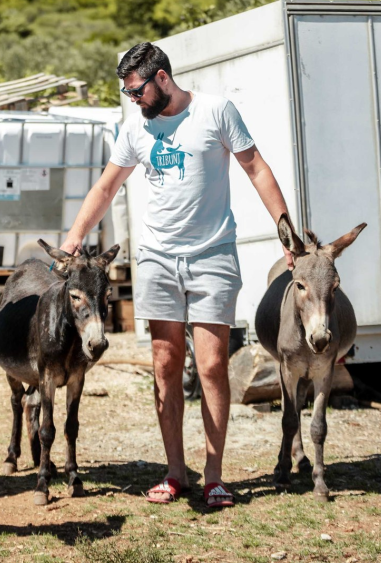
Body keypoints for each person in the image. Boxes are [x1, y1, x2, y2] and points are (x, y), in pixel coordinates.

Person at [60, 42, 293, 509]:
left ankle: (214, 476)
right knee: (166, 367)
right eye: (128, 93)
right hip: (158, 259)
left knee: (210, 365)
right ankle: (174, 473)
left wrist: (286, 231)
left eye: (137, 91)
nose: (134, 100)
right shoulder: (135, 130)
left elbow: (256, 168)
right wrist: (73, 237)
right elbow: (106, 188)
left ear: (162, 78)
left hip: (212, 256)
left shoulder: (215, 111)